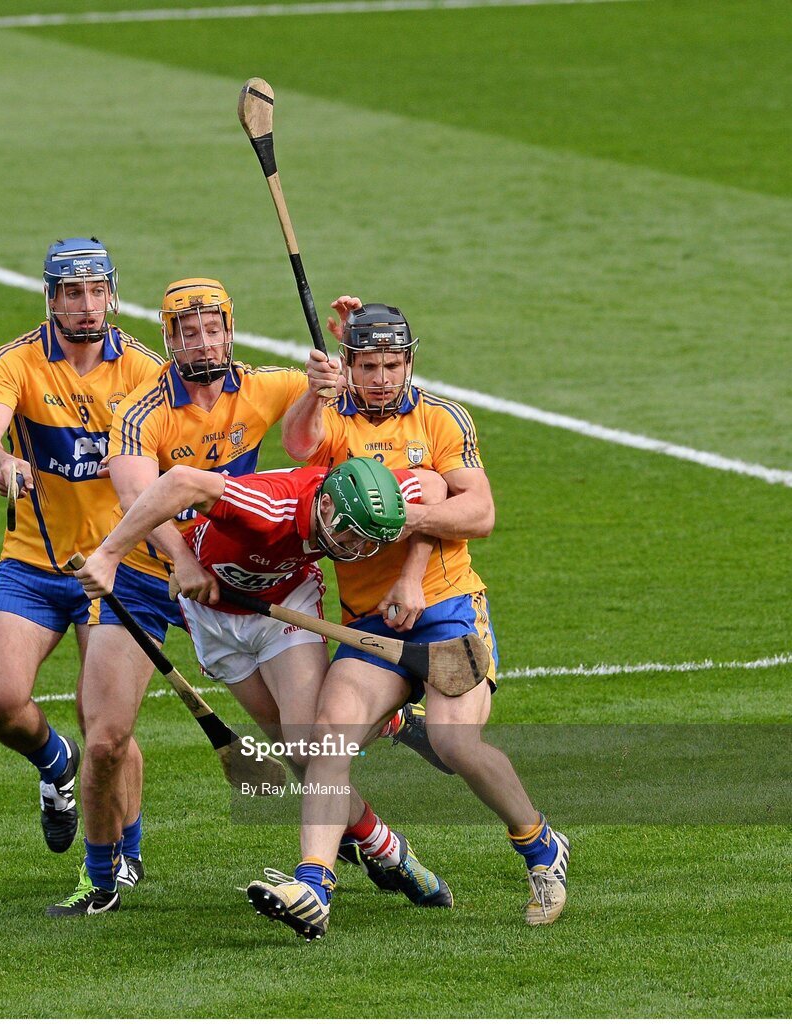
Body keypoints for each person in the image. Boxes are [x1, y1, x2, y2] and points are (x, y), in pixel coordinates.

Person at [245, 299, 570, 939]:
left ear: (409, 360)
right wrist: (314, 395)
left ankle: (538, 845)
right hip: (369, 620)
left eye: (393, 364)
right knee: (323, 742)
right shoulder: (334, 418)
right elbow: (296, 445)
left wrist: (410, 539)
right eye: (367, 365)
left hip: (447, 610)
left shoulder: (442, 419)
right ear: (348, 363)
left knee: (454, 744)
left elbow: (479, 514)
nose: (382, 377)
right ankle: (314, 883)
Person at [70, 456, 461, 923]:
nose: (357, 548)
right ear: (328, 507)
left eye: (366, 539)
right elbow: (178, 481)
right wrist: (125, 556)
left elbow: (434, 486)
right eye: (353, 534)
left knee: (313, 748)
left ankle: (325, 877)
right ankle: (387, 847)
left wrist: (411, 574)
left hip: (285, 607)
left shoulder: (369, 494)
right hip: (214, 615)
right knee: (303, 758)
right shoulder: (269, 506)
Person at [46, 278, 313, 917]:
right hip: (143, 577)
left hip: (227, 579)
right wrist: (181, 557)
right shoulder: (140, 411)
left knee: (303, 737)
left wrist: (328, 376)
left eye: (213, 328)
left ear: (230, 329)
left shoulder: (260, 385)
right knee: (107, 737)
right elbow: (142, 495)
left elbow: (324, 423)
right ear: (169, 340)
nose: (203, 341)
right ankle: (100, 877)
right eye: (188, 332)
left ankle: (363, 835)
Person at [0, 238, 161, 880]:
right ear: (50, 297)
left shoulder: (143, 368)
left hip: (113, 568)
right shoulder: (17, 361)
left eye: (97, 291)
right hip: (32, 561)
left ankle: (126, 855)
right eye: (72, 293)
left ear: (112, 292)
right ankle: (56, 766)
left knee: (106, 721)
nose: (86, 305)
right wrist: (5, 463)